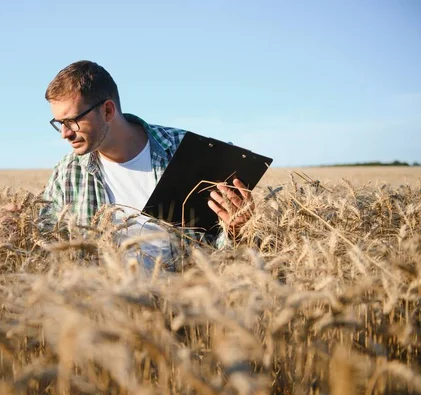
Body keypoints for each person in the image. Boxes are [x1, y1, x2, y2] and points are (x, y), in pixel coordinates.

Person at [30, 60, 254, 270]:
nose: (65, 134)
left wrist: (235, 230)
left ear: (108, 110)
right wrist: (14, 230)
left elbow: (219, 251)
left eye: (72, 121)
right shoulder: (67, 173)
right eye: (59, 123)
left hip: (187, 303)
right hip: (103, 307)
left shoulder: (185, 151)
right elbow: (49, 243)